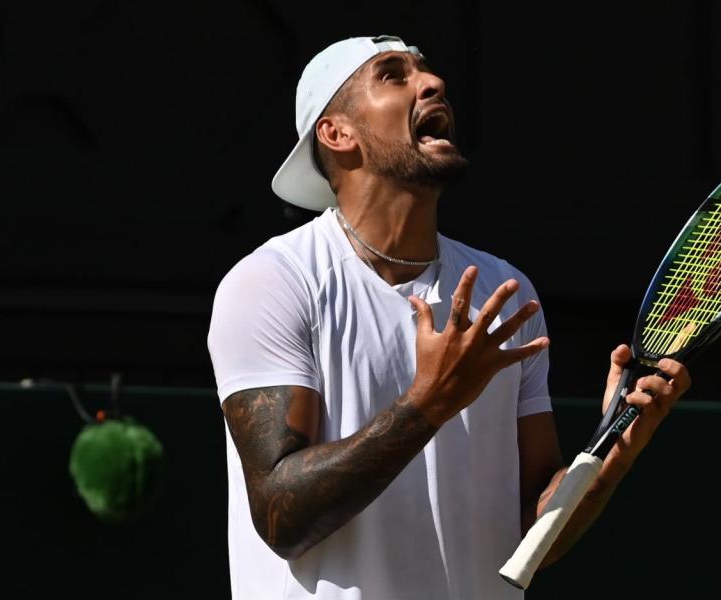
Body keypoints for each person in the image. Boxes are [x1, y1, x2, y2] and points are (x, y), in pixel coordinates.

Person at [206, 35, 691, 600]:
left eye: (427, 72)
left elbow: (532, 537)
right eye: (393, 75)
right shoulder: (272, 281)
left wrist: (613, 451)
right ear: (337, 133)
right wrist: (428, 403)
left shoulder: (507, 293)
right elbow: (280, 517)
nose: (432, 84)